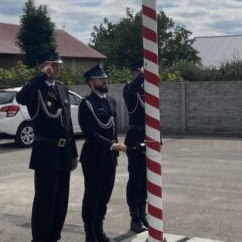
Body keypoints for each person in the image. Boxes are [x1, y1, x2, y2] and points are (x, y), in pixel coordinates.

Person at [15, 51, 79, 242]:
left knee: (61, 201)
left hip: (64, 153)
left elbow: (67, 124)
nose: (56, 68)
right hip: (46, 154)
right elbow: (21, 98)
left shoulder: (61, 87)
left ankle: (54, 237)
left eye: (58, 65)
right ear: (41, 66)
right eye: (52, 65)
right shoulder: (35, 88)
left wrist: (74, 153)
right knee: (45, 201)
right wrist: (41, 76)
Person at [79, 64, 126, 242]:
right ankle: (90, 232)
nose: (105, 81)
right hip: (94, 157)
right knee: (92, 195)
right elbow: (90, 132)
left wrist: (115, 149)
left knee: (105, 195)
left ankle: (99, 230)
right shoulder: (86, 103)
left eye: (105, 78)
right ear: (91, 83)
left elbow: (112, 129)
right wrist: (111, 145)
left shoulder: (111, 100)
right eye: (100, 79)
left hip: (110, 158)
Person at [123, 59, 149, 232]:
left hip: (148, 137)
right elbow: (132, 92)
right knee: (135, 179)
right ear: (133, 73)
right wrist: (141, 77)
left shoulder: (149, 91)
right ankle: (135, 217)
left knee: (146, 180)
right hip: (135, 137)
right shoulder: (129, 89)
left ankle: (143, 213)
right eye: (138, 73)